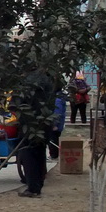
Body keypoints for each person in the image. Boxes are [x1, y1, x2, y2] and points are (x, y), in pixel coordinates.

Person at [17, 68, 55, 198]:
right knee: (39, 154)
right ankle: (38, 184)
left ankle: (33, 187)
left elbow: (18, 104)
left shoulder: (27, 83)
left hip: (29, 125)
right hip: (44, 122)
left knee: (28, 155)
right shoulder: (47, 80)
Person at [48, 86, 67, 161]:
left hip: (56, 124)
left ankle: (54, 156)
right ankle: (53, 155)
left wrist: (54, 124)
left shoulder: (57, 99)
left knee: (53, 140)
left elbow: (57, 113)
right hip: (58, 123)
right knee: (54, 139)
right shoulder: (60, 98)